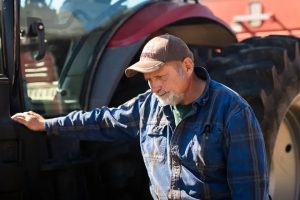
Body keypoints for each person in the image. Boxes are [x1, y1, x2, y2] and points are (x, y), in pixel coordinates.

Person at [11, 34, 269, 199]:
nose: (154, 87)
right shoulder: (149, 105)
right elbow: (103, 120)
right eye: (148, 80)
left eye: (160, 76)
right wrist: (47, 124)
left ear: (187, 67)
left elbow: (250, 191)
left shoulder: (232, 112)